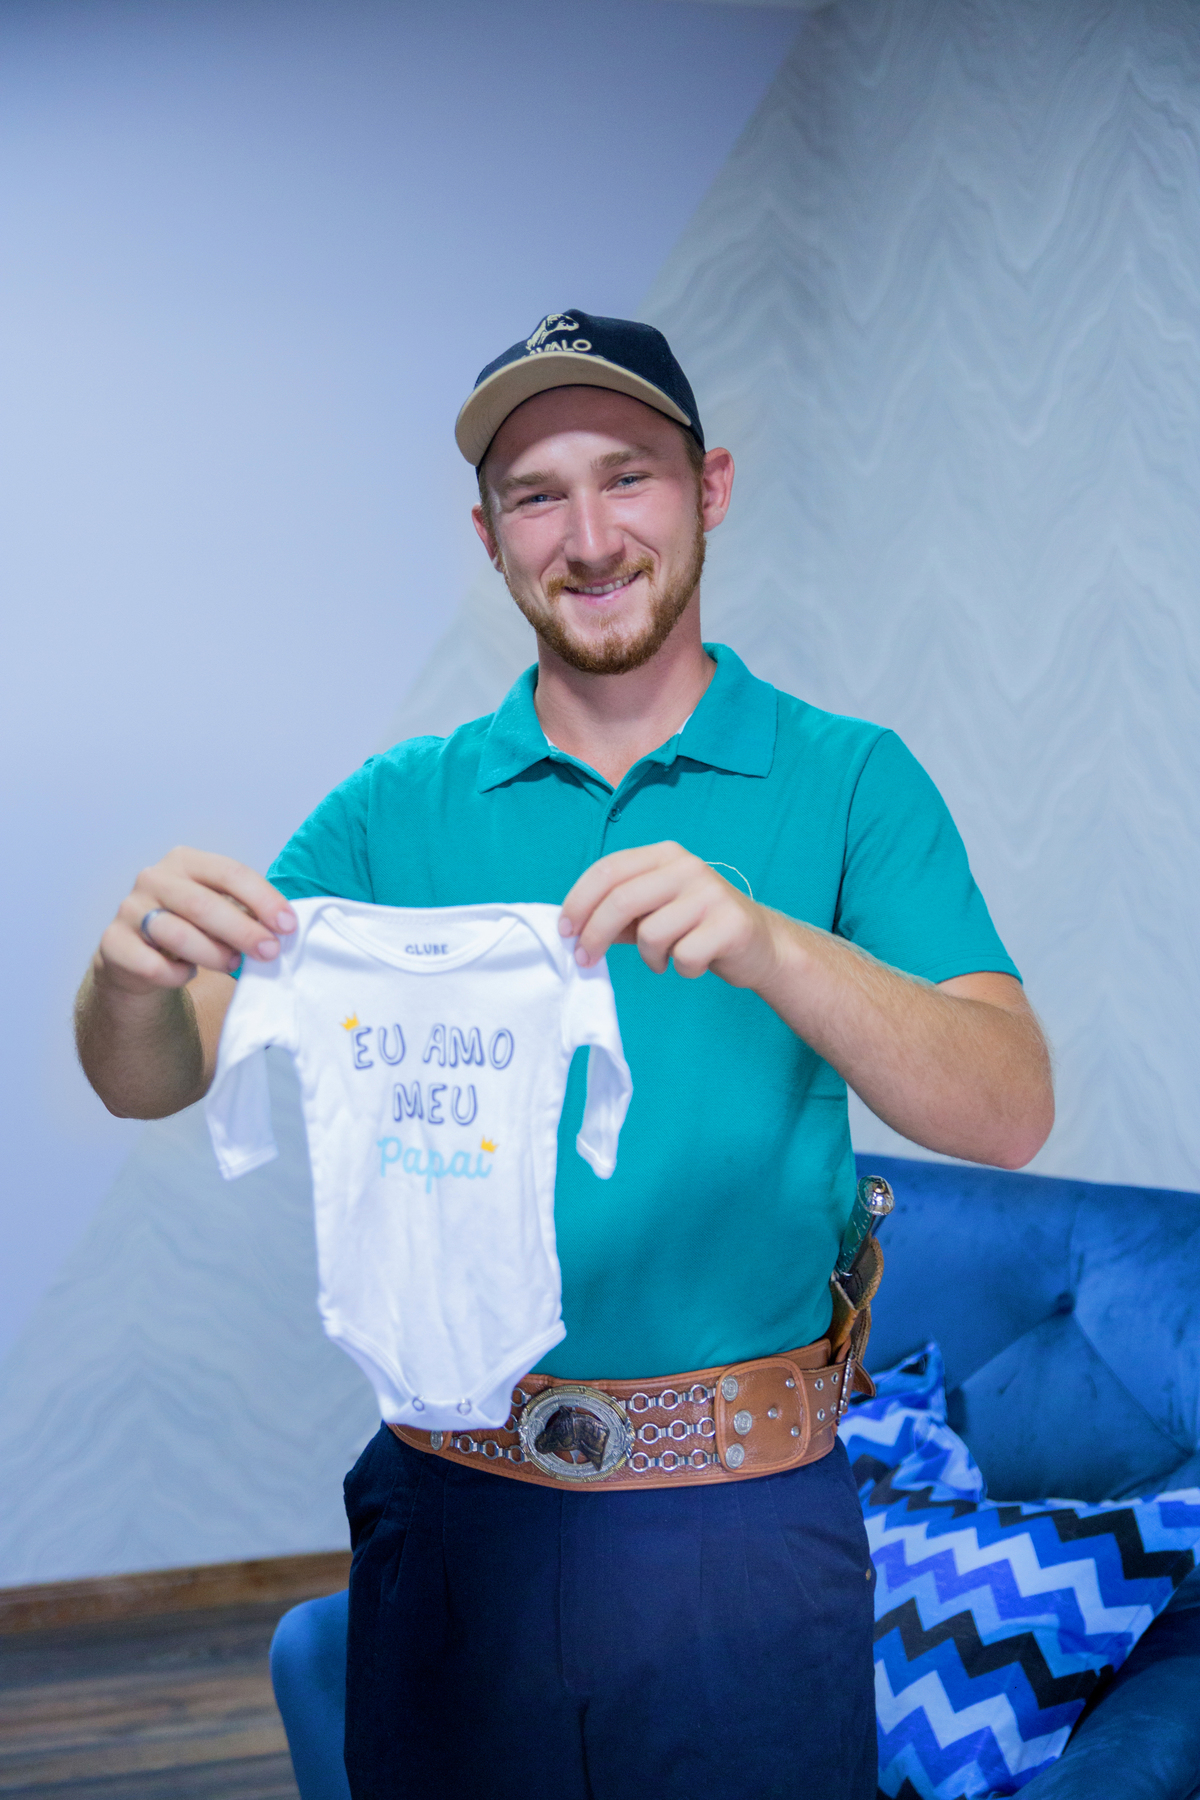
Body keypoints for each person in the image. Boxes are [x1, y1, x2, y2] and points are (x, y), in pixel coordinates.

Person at [76, 310, 1054, 1800]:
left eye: (630, 478)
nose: (589, 536)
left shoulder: (852, 779)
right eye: (538, 495)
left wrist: (773, 943)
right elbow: (157, 1070)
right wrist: (124, 974)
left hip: (744, 1526)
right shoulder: (395, 809)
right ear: (488, 536)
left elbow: (1008, 1109)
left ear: (708, 489)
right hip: (455, 1512)